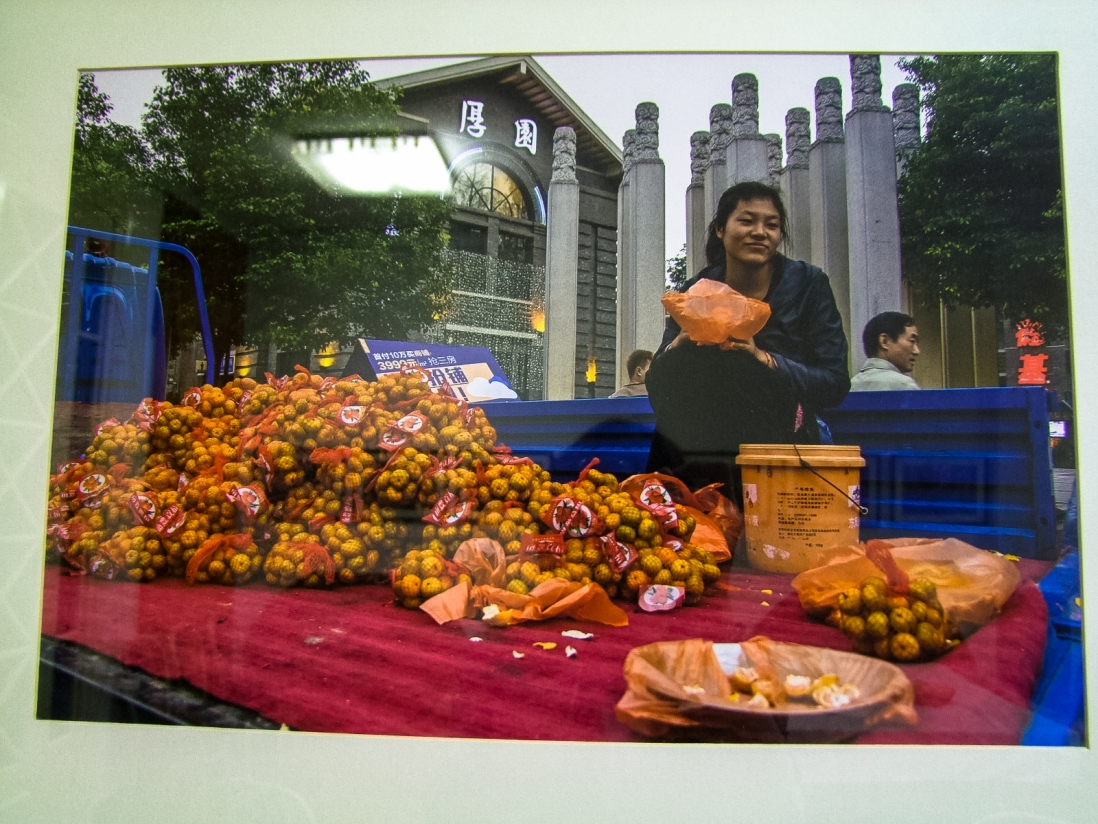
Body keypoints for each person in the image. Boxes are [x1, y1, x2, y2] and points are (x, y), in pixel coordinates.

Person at [645, 181, 849, 497]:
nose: (760, 232)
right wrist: (678, 345)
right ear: (720, 229)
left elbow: (834, 383)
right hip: (699, 445)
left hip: (779, 445)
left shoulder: (809, 284)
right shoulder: (696, 290)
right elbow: (657, 385)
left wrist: (763, 359)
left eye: (772, 225)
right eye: (747, 221)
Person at [849, 312, 921, 391]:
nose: (917, 351)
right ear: (884, 341)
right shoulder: (904, 385)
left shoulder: (850, 385)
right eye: (912, 341)